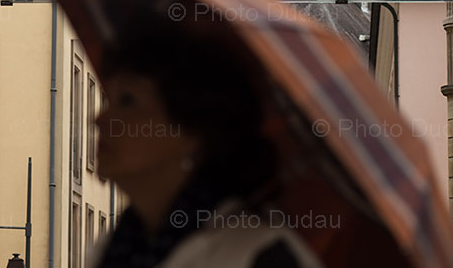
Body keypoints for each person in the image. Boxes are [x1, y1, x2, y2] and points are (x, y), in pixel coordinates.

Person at [88, 29, 325, 268]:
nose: (98, 120)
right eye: (110, 100)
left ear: (191, 132)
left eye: (127, 101)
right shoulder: (113, 248)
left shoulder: (262, 255)